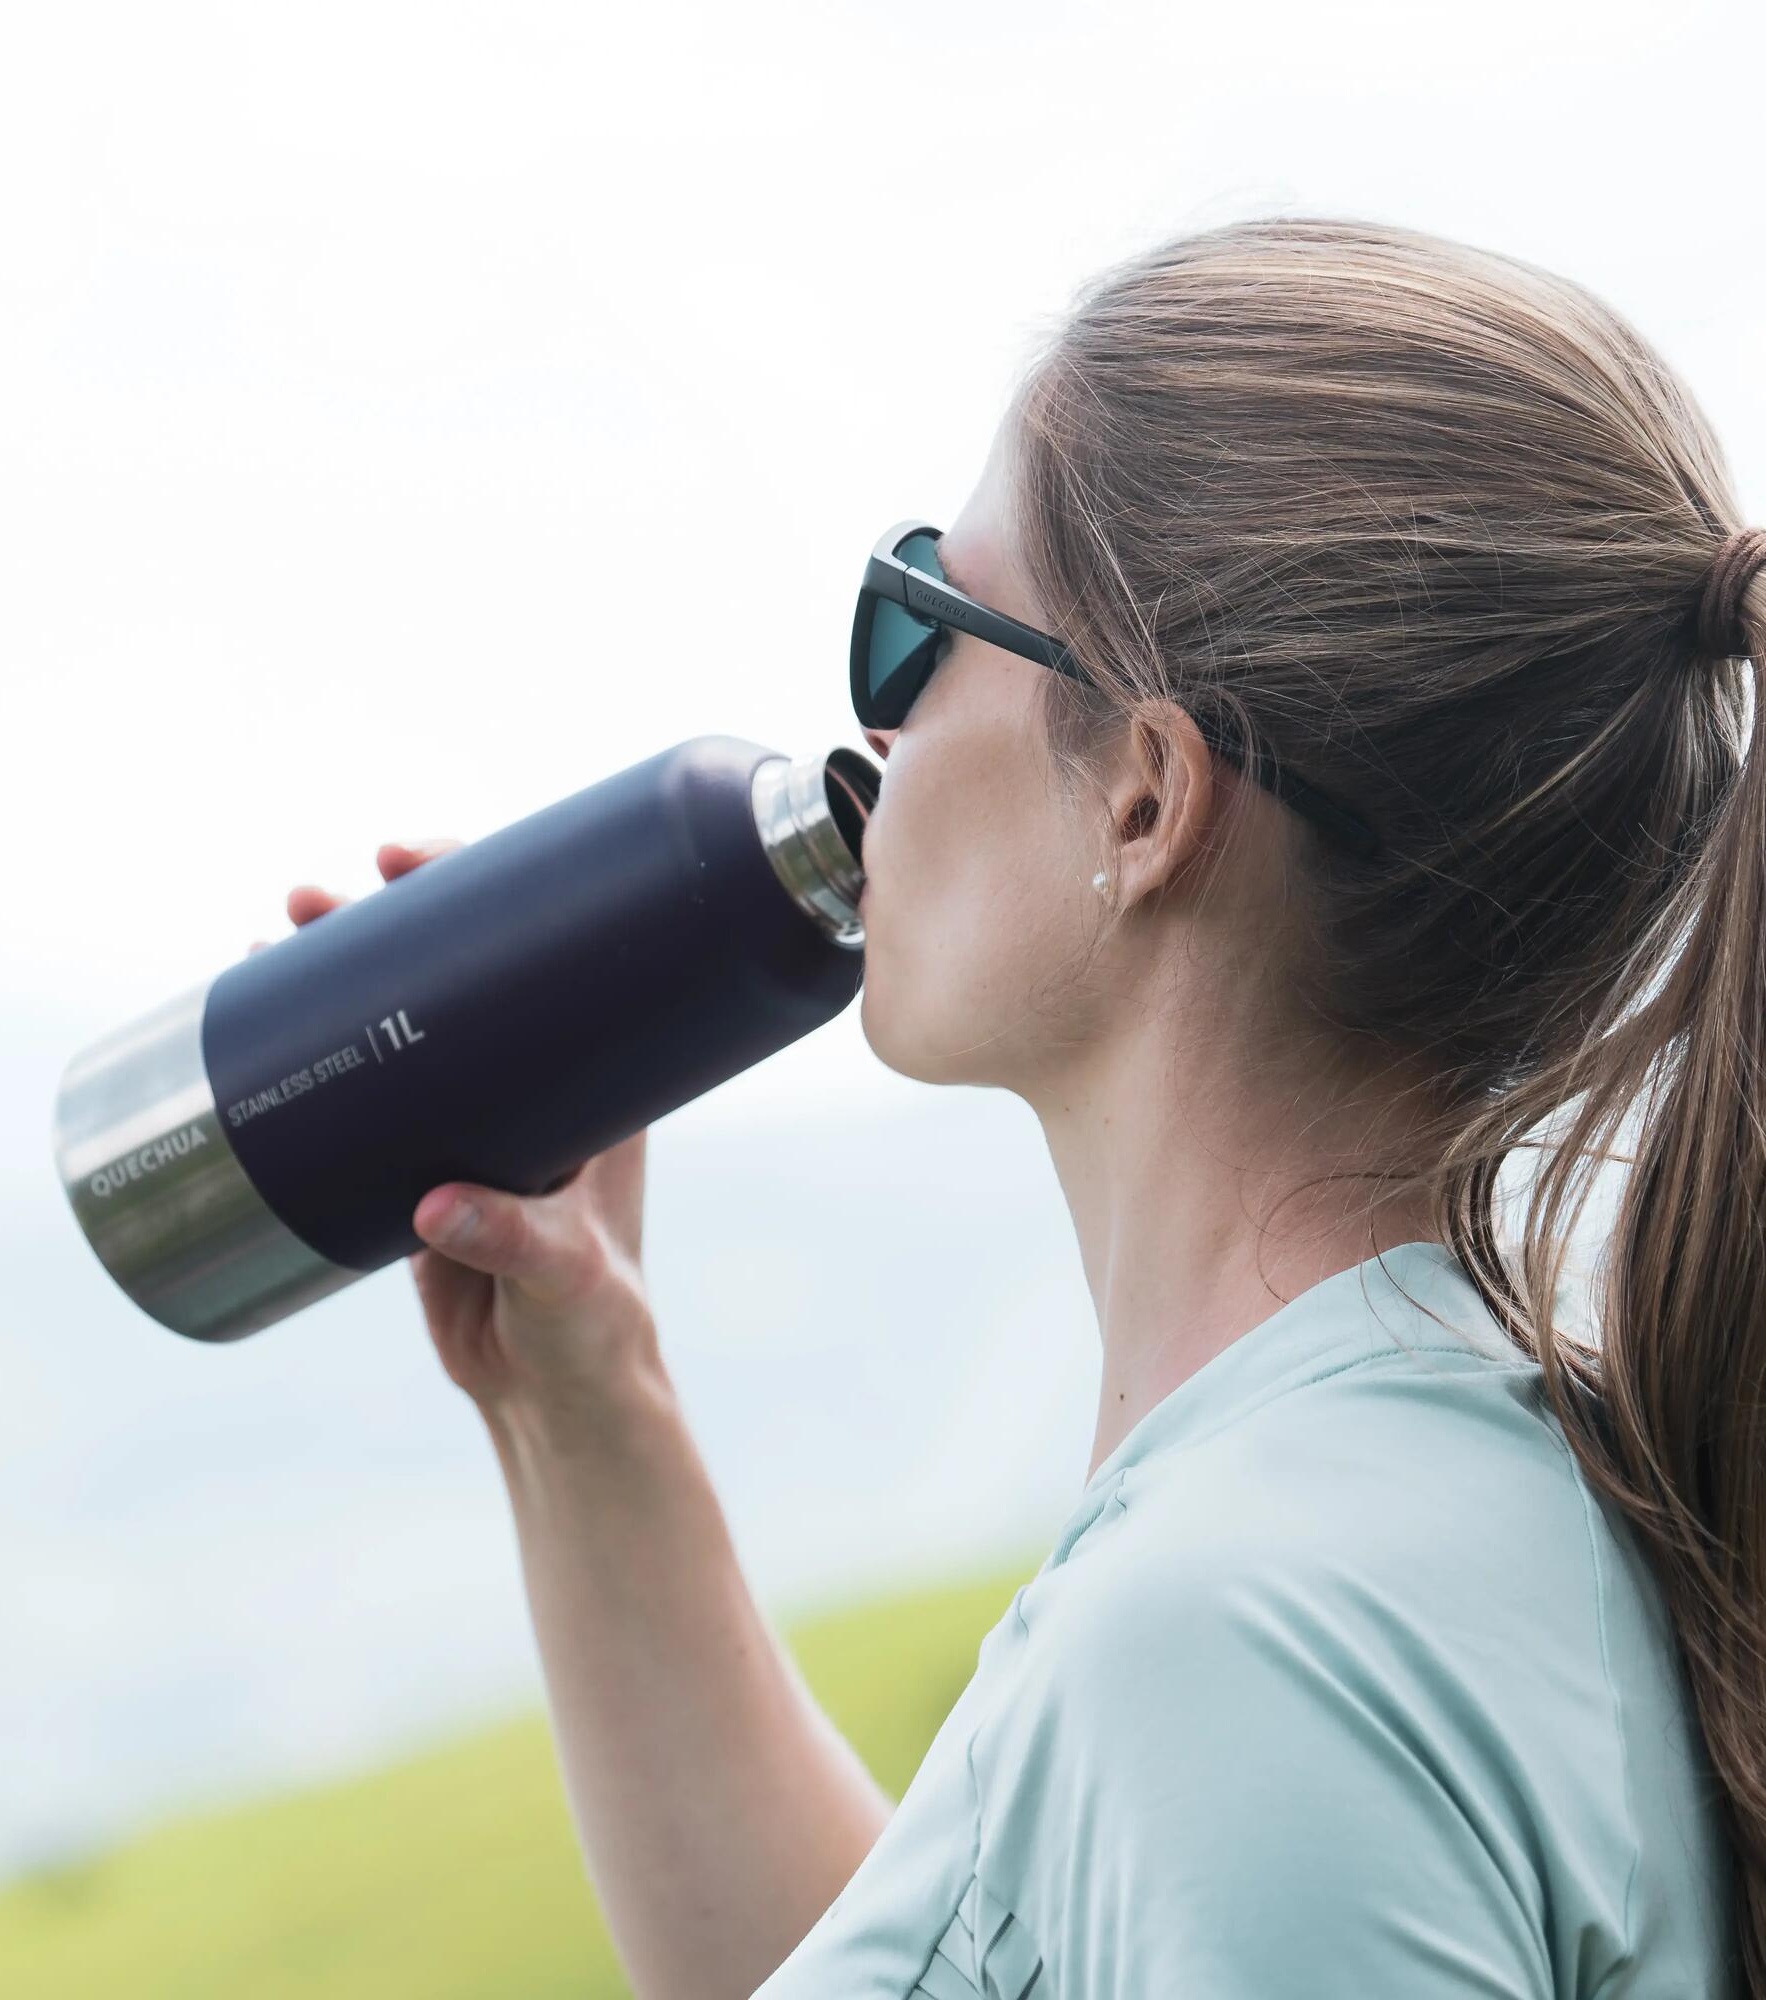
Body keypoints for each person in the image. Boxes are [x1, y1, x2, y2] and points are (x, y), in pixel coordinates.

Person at [265, 217, 1765, 1995]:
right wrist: (583, 1399)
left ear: (1145, 798)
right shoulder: (1436, 1484)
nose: (877, 732)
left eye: (921, 620)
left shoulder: (1247, 1639)